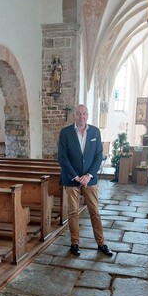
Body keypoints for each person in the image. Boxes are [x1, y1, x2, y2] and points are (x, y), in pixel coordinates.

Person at [57, 104, 113, 257]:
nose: (81, 117)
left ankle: (101, 243)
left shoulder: (95, 131)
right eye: (78, 114)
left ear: (87, 115)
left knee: (94, 211)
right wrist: (75, 176)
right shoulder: (65, 133)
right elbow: (62, 157)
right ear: (73, 115)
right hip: (71, 179)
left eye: (84, 114)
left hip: (90, 179)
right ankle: (74, 243)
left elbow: (98, 155)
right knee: (73, 212)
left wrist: (89, 175)